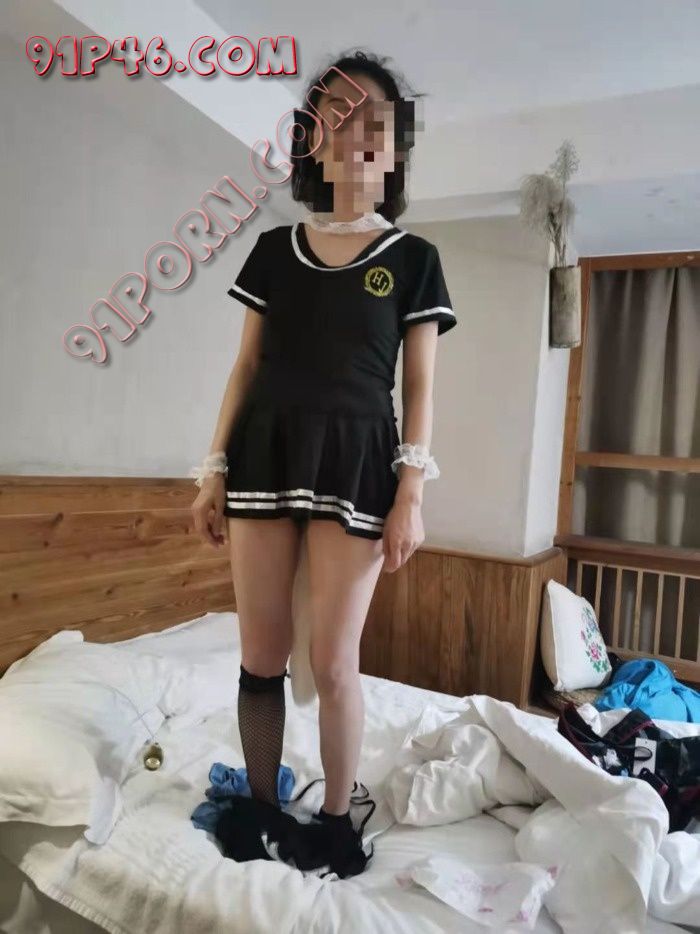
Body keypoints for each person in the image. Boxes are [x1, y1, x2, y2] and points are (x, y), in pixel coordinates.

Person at [190, 48, 457, 878]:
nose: (352, 132)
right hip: (263, 453)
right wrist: (211, 468)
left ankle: (336, 821)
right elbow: (245, 367)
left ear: (395, 146)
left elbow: (419, 386)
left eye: (371, 120)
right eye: (335, 117)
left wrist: (411, 492)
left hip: (360, 463)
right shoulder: (274, 249)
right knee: (260, 657)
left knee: (336, 664)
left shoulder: (414, 259)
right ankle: (261, 807)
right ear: (313, 140)